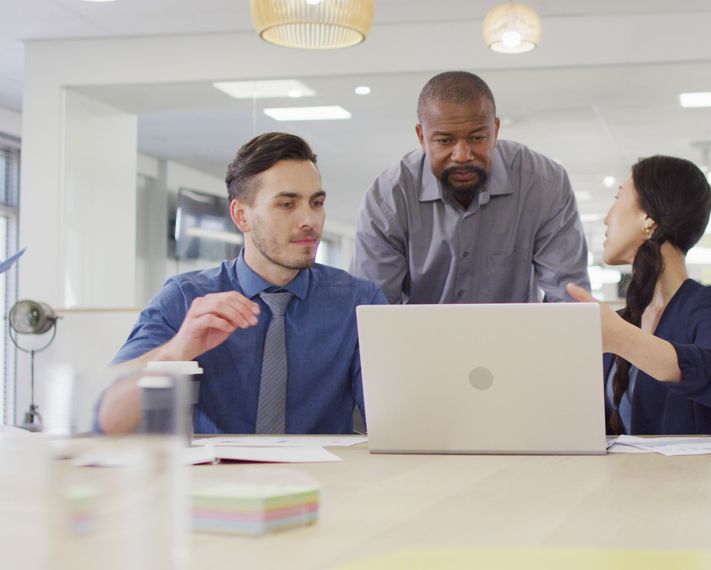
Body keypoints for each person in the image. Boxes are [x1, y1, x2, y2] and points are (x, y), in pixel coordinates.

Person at [96, 132, 387, 435]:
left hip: (328, 479)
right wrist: (177, 351)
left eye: (316, 203)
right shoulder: (185, 298)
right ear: (241, 216)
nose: (309, 220)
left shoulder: (359, 302)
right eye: (287, 204)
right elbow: (108, 420)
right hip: (214, 479)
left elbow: (395, 422)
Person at [350, 70, 590, 303]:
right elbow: (373, 309)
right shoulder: (389, 197)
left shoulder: (543, 184)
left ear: (495, 131)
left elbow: (569, 297)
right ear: (422, 137)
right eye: (445, 141)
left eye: (476, 138)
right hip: (416, 341)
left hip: (518, 340)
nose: (462, 155)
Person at [566, 155, 711, 435]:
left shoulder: (706, 304)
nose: (606, 217)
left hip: (688, 478)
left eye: (618, 198)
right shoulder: (624, 321)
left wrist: (621, 338)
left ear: (648, 218)